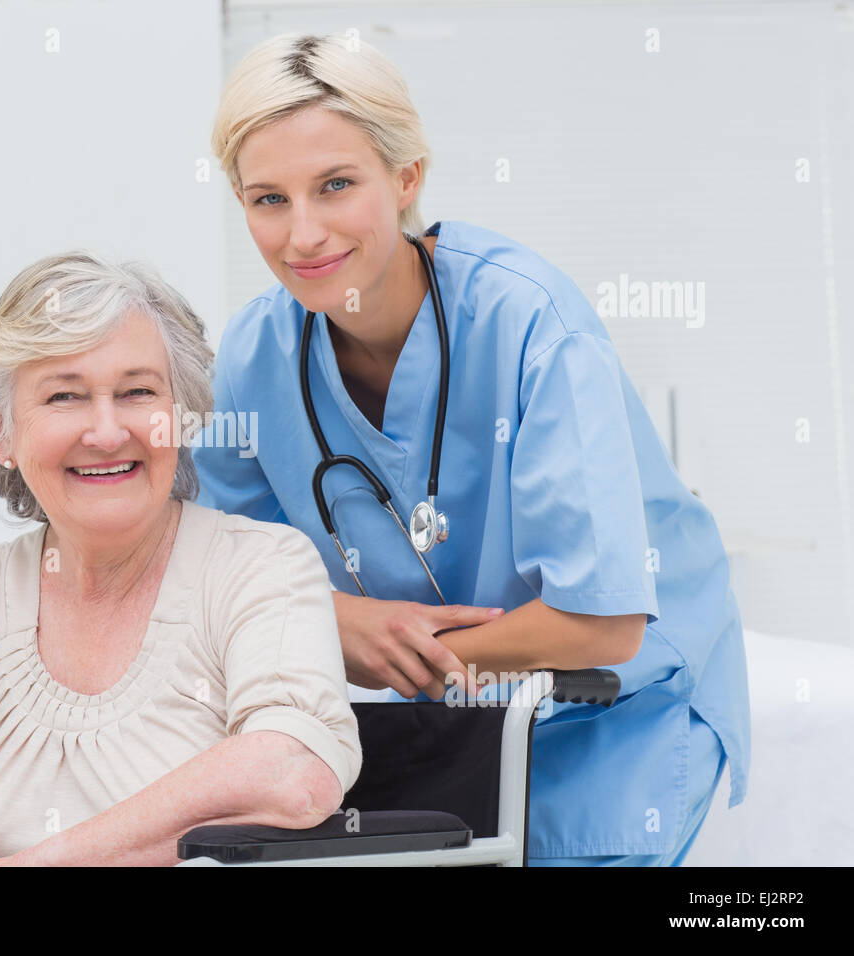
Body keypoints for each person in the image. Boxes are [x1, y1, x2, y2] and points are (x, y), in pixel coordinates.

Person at [193, 32, 749, 865]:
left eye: (336, 185)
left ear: (406, 177)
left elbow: (603, 625)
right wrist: (342, 623)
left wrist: (406, 652)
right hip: (437, 722)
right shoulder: (251, 357)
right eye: (268, 199)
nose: (302, 234)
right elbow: (222, 581)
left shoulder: (532, 327)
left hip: (609, 712)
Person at [0, 250, 361, 866]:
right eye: (64, 397)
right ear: (1, 433)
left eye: (137, 391)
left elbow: (292, 772)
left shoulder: (261, 565)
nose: (106, 432)